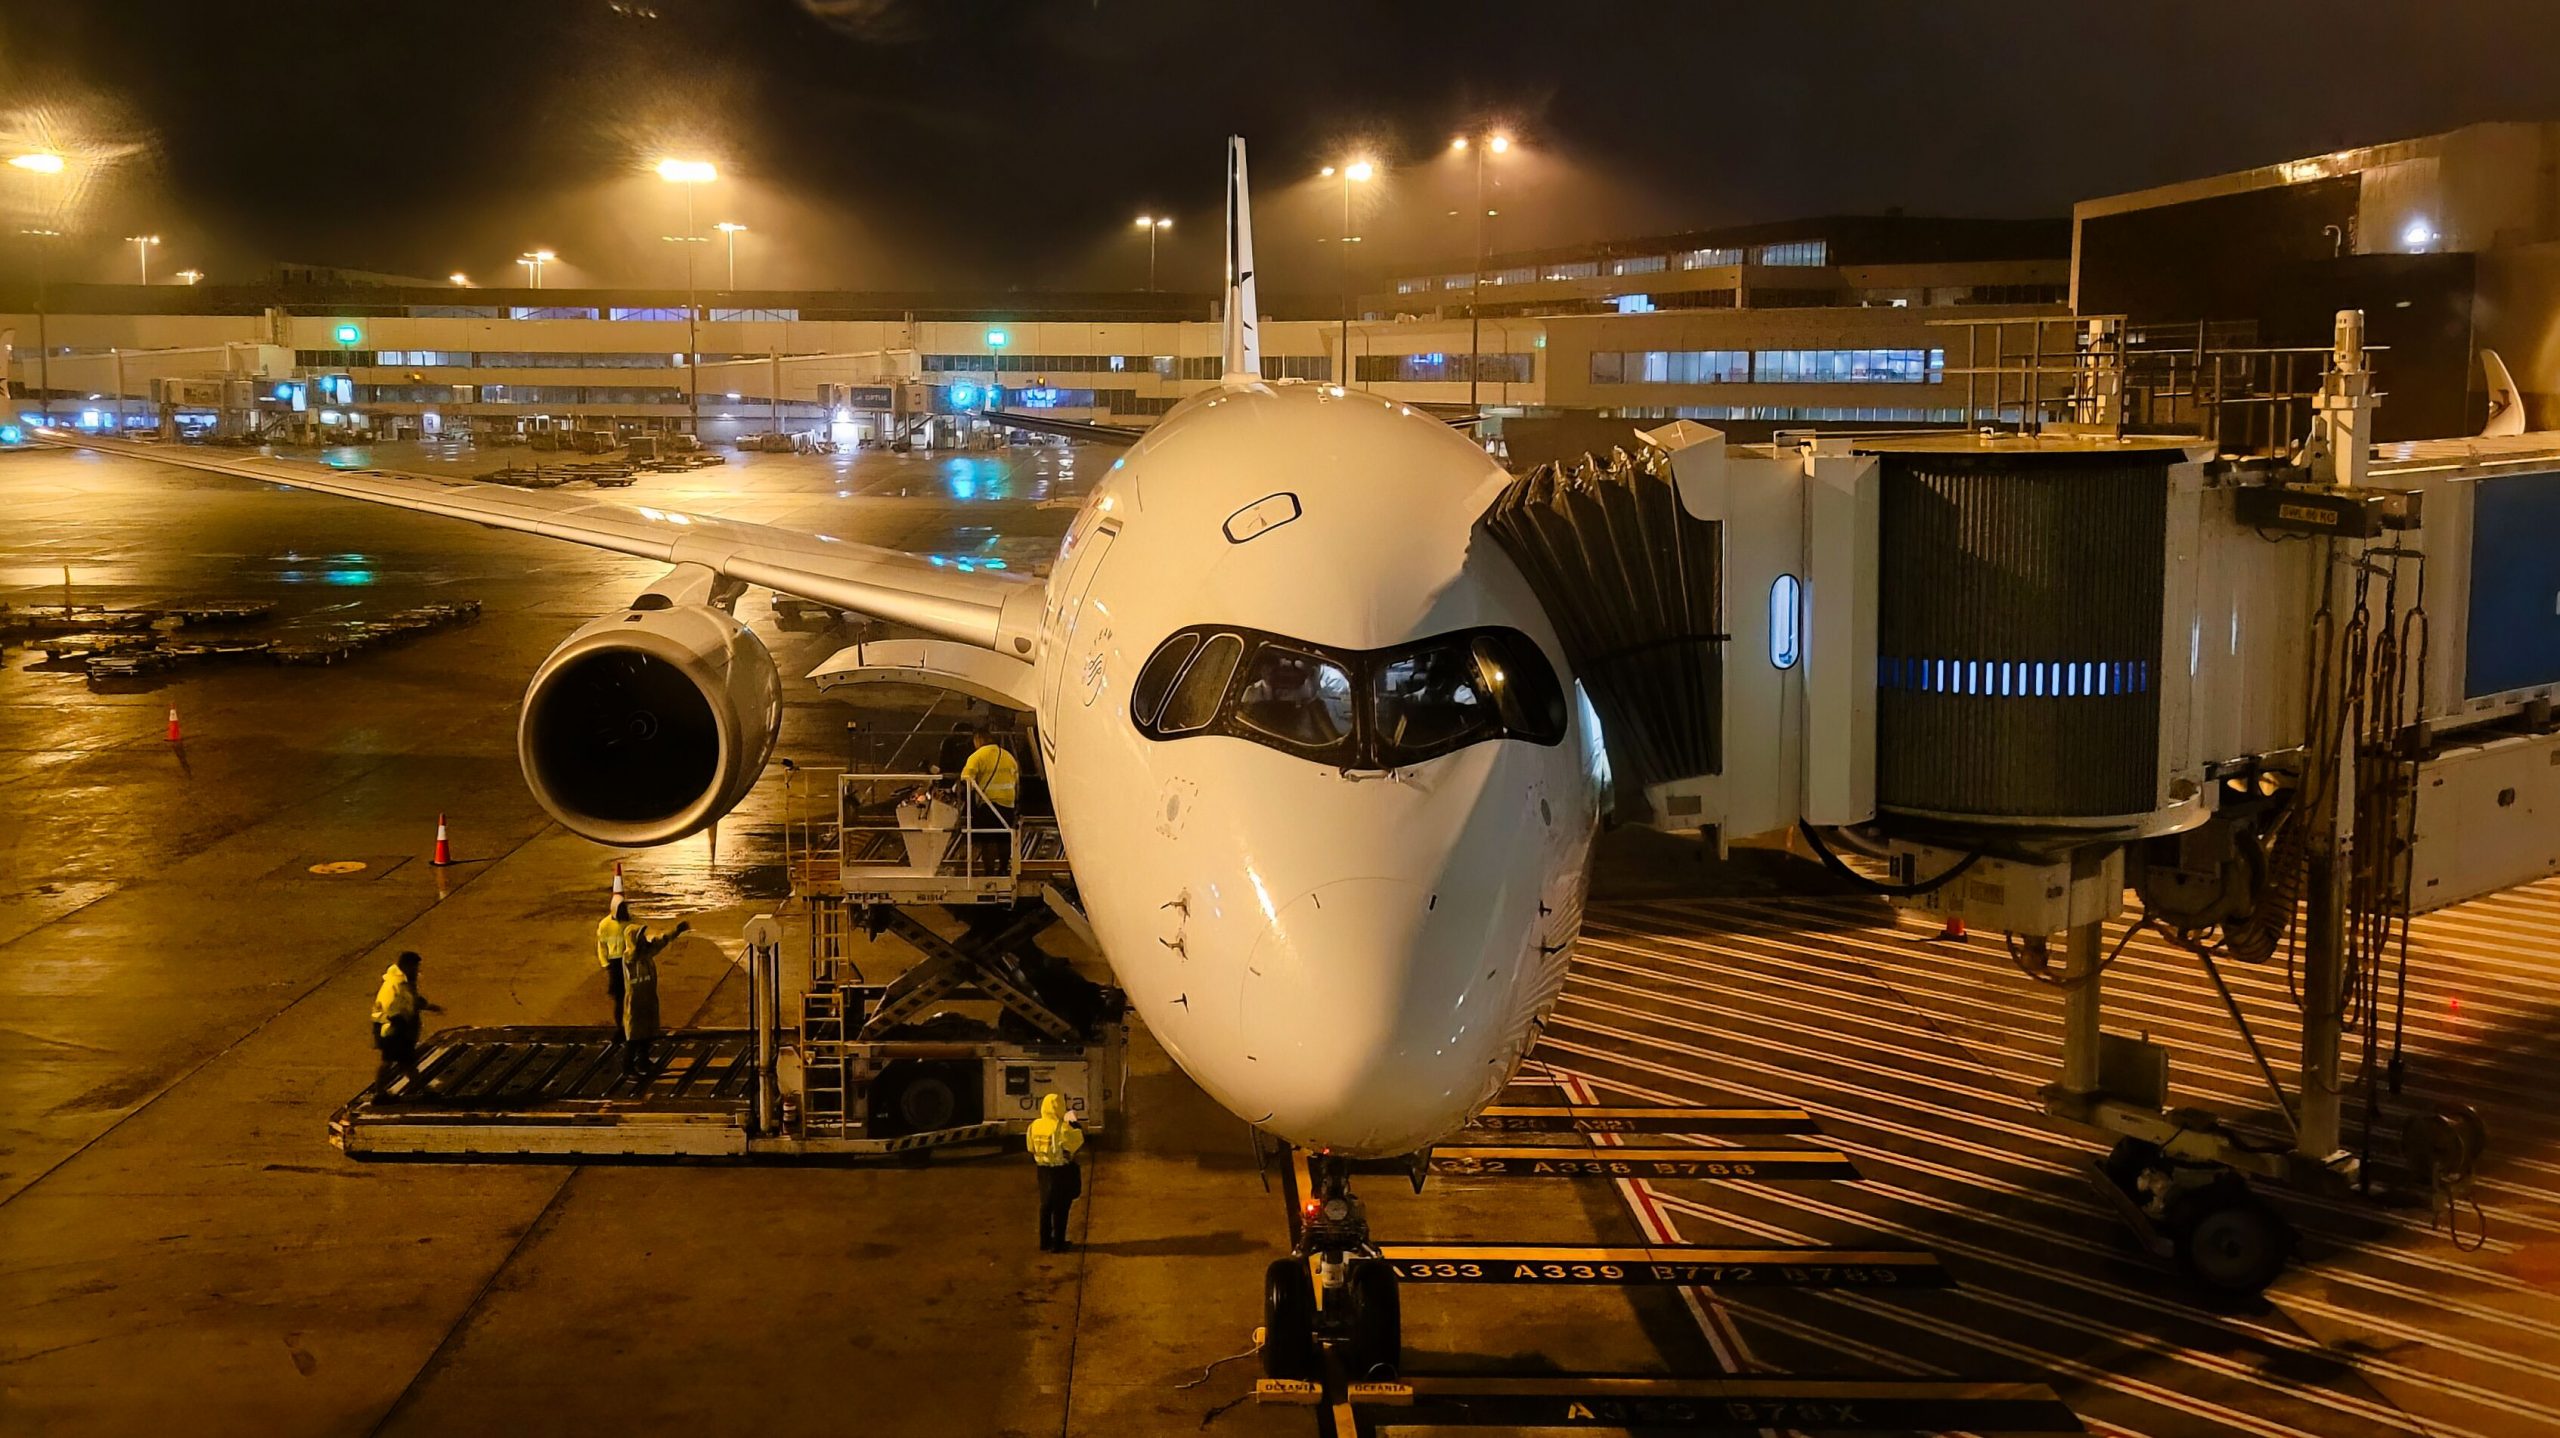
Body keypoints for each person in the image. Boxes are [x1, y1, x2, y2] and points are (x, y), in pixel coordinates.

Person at [369, 951, 441, 1091]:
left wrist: (428, 1006)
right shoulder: (395, 984)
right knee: (396, 1061)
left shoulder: (405, 981)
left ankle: (419, 1088)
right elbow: (390, 1009)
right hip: (391, 1029)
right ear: (407, 966)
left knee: (402, 1061)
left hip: (397, 1028)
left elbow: (410, 999)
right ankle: (381, 1092)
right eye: (415, 966)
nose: (417, 970)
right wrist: (399, 1028)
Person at [1026, 1092, 1085, 1251]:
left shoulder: (1034, 1126)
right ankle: (1059, 1244)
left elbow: (1030, 1147)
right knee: (1061, 1207)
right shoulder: (1062, 1128)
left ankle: (1045, 1241)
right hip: (1061, 1171)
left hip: (1042, 1170)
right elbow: (1077, 1142)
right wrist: (1074, 1124)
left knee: (1045, 1206)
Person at [959, 725, 1021, 871]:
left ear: (978, 739)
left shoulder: (977, 756)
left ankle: (989, 871)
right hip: (1008, 803)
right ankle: (1004, 868)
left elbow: (966, 780)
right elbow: (1017, 782)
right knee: (1004, 838)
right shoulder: (1008, 756)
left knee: (988, 839)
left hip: (988, 803)